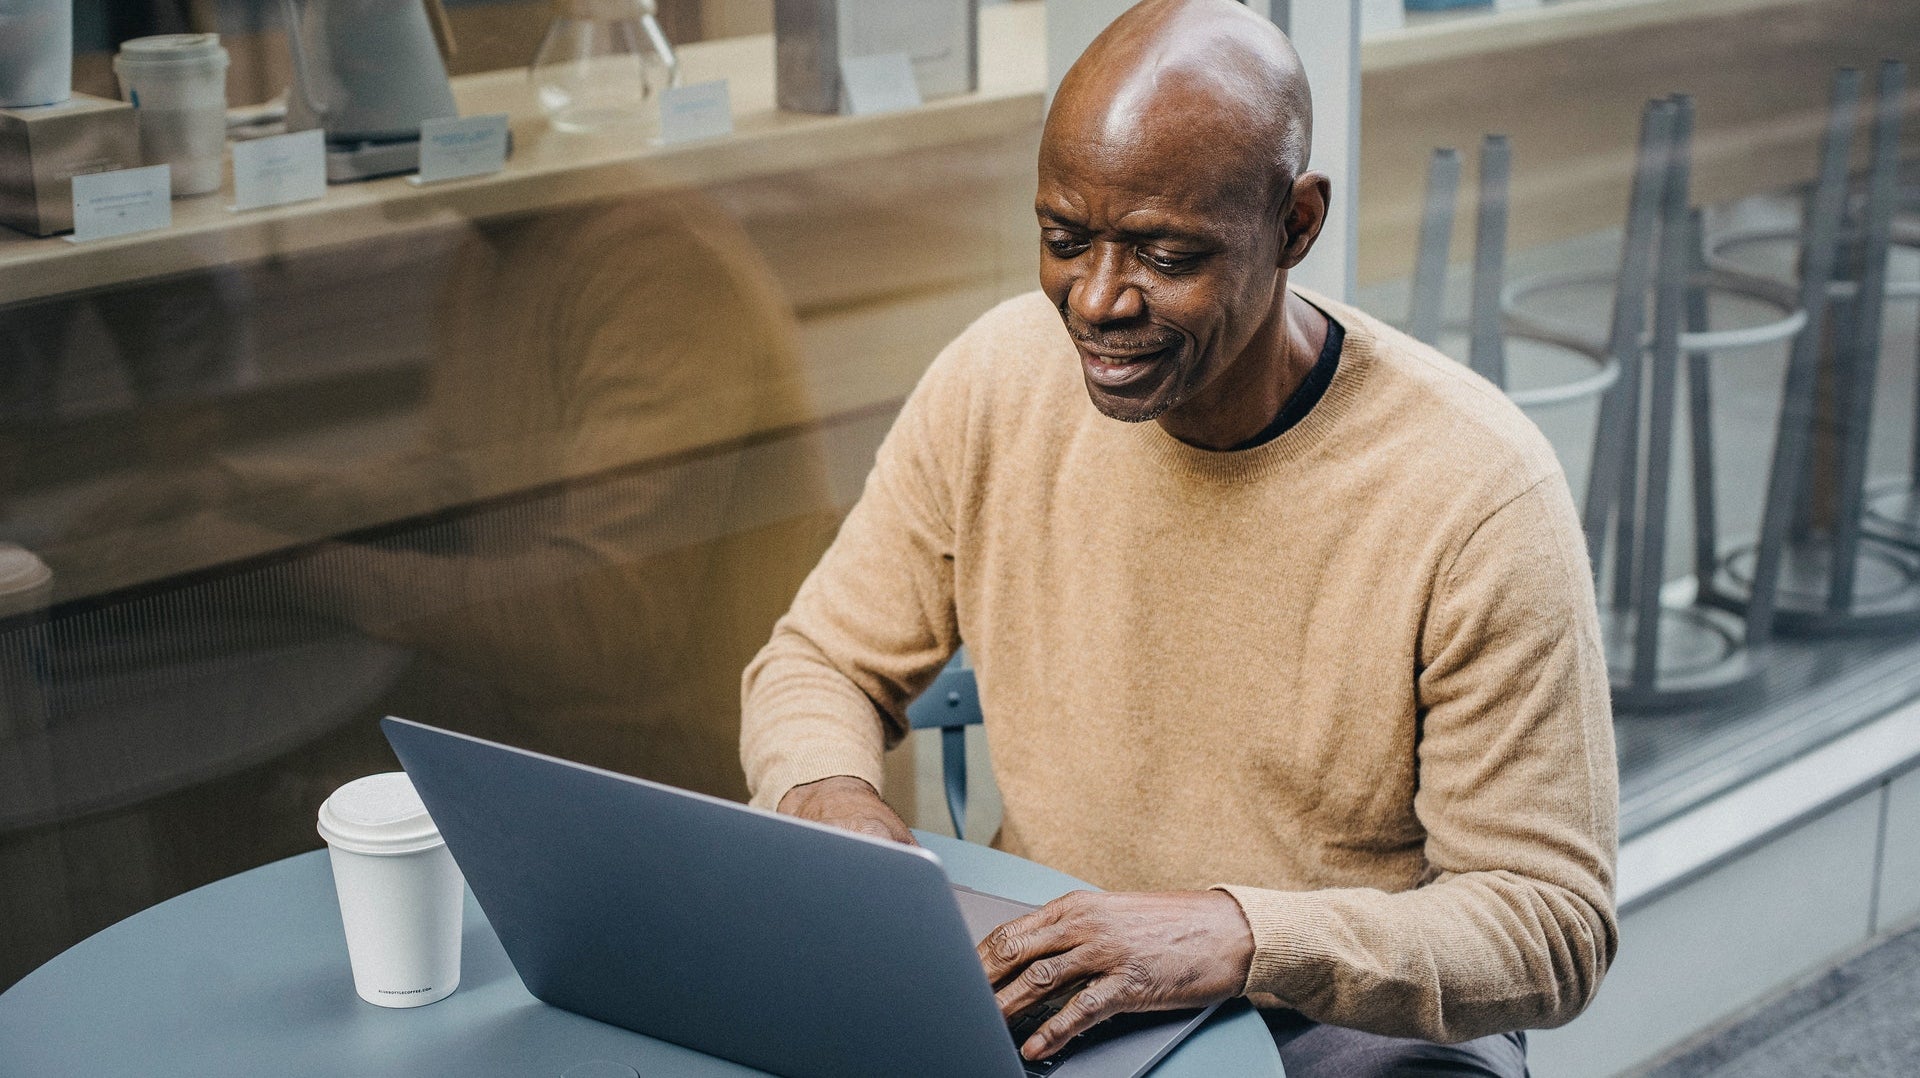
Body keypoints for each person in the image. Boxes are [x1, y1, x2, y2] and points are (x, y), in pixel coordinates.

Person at [740, 1, 1618, 1074]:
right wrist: (826, 797)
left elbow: (1548, 923)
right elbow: (819, 663)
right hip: (1056, 972)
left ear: (1296, 224)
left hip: (1340, 1018)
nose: (1098, 300)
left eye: (1165, 253)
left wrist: (1244, 935)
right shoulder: (995, 380)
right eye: (1064, 240)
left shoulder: (1476, 490)